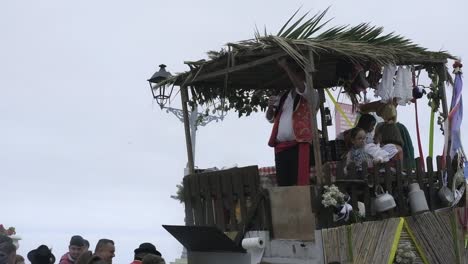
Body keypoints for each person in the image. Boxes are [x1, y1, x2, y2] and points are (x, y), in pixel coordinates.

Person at [266, 58, 319, 186]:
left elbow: (301, 88)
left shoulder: (312, 93)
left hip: (298, 146)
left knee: (298, 184)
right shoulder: (284, 96)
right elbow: (270, 118)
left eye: (298, 72)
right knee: (283, 184)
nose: (296, 75)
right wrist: (270, 107)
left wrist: (286, 67)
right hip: (281, 148)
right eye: (295, 72)